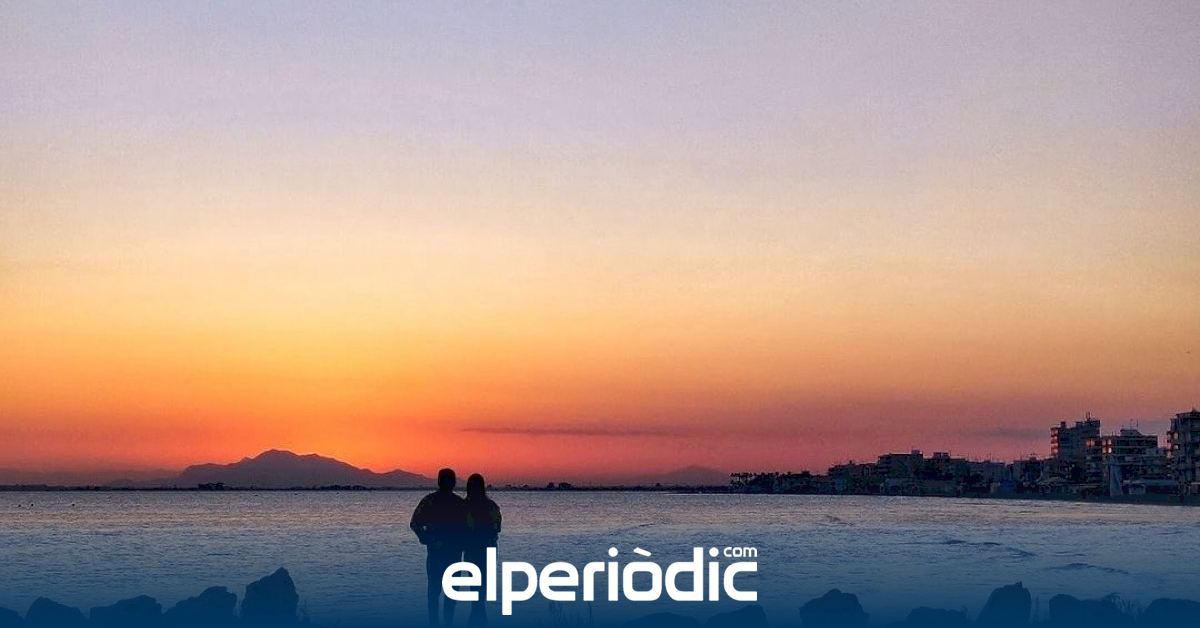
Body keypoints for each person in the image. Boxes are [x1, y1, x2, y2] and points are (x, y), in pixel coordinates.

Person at [410, 468, 467, 626]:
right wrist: (428, 540)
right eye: (448, 480)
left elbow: (415, 524)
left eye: (450, 480)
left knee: (444, 593)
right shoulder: (433, 501)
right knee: (438, 592)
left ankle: (443, 623)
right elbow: (415, 524)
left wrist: (427, 539)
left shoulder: (455, 503)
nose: (450, 483)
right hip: (440, 554)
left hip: (450, 554)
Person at [463, 473, 502, 626]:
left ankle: (476, 619)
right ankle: (479, 619)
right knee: (482, 589)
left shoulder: (464, 506)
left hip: (473, 550)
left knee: (476, 589)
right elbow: (497, 528)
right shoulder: (491, 506)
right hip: (486, 550)